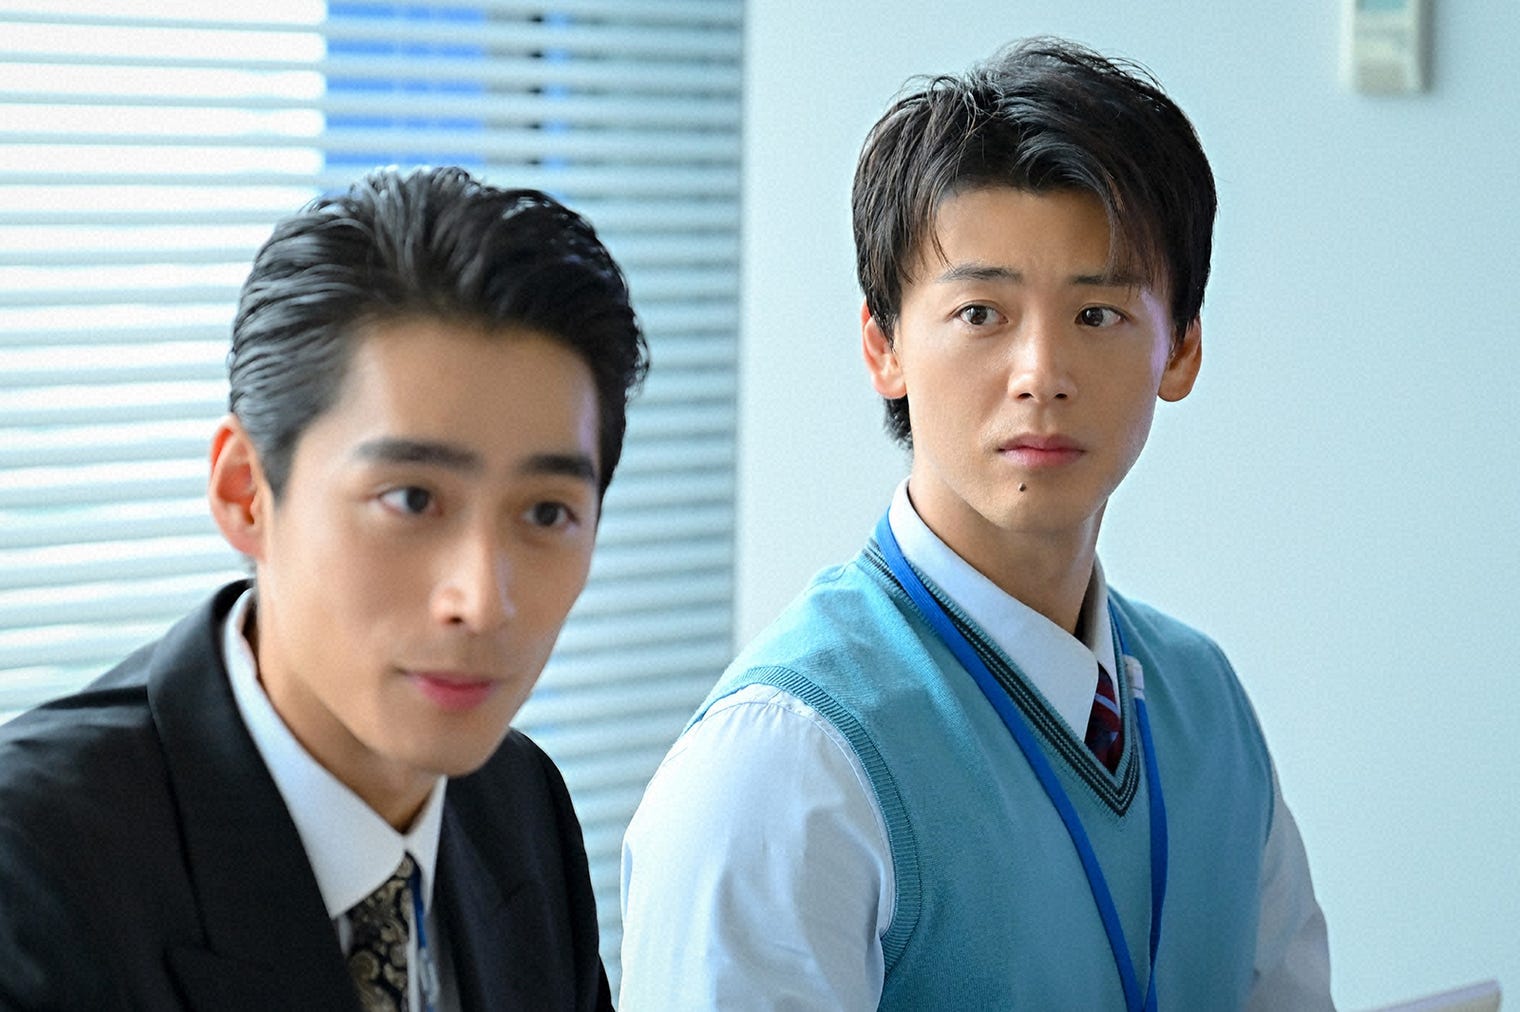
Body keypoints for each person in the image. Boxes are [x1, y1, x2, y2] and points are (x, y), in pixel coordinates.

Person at [619, 38, 1334, 1010]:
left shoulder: (1204, 705)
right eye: (980, 314)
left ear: (1180, 350)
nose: (1040, 373)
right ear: (883, 346)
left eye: (1097, 315)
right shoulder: (783, 763)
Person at [0, 166, 646, 1011]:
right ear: (245, 493)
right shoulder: (33, 868)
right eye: (411, 500)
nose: (482, 602)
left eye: (547, 512)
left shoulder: (518, 807)